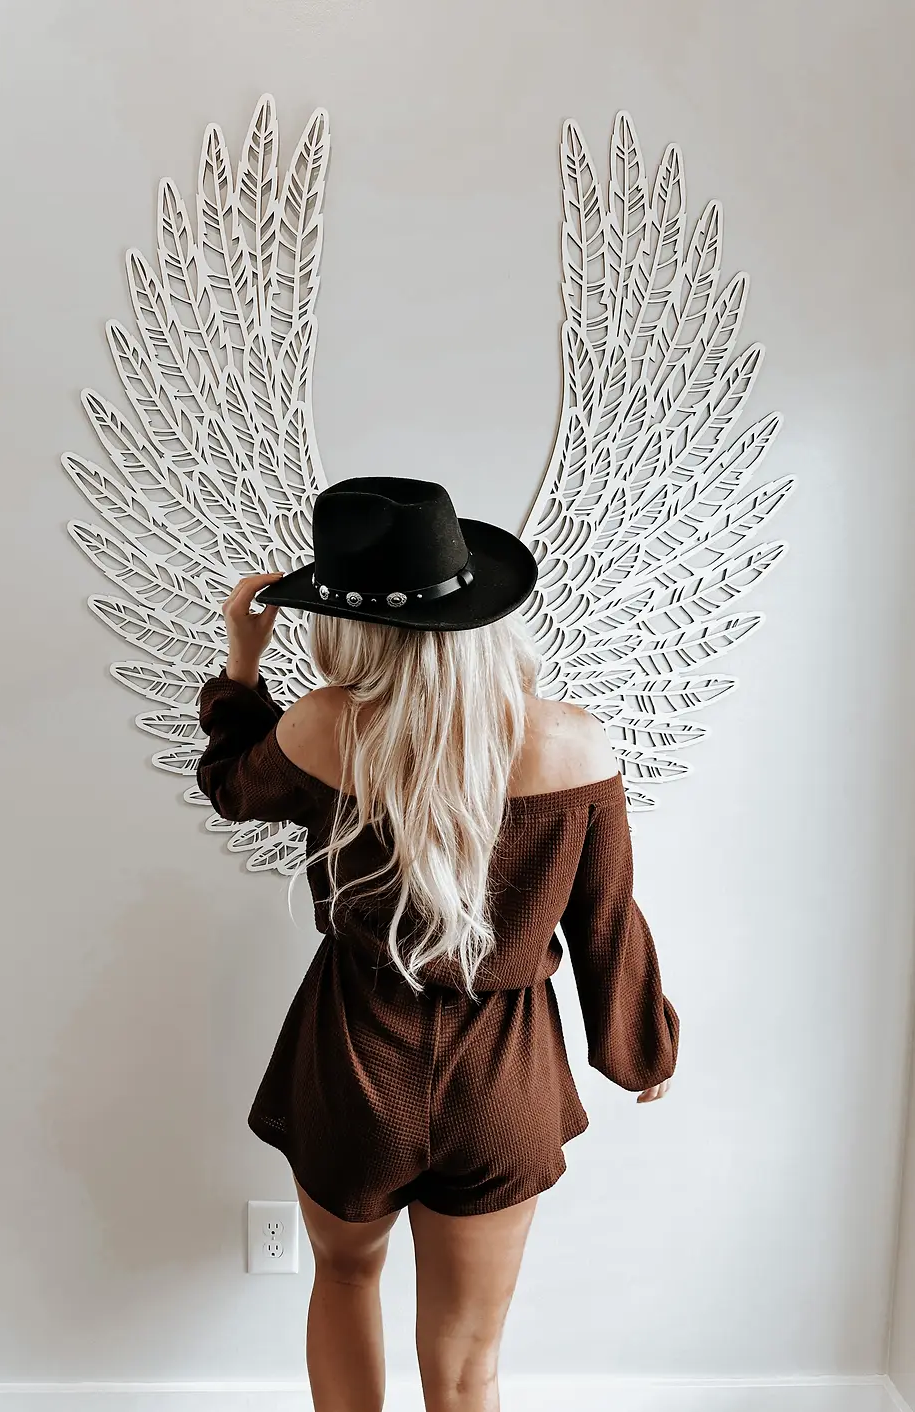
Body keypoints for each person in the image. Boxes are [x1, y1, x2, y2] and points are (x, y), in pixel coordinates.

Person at [196, 476, 679, 1412]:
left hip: (352, 1058)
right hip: (508, 1077)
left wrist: (242, 669)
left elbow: (231, 787)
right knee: (467, 1364)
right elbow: (606, 920)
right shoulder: (576, 746)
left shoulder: (323, 728)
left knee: (343, 1280)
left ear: (345, 625)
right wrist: (639, 1046)